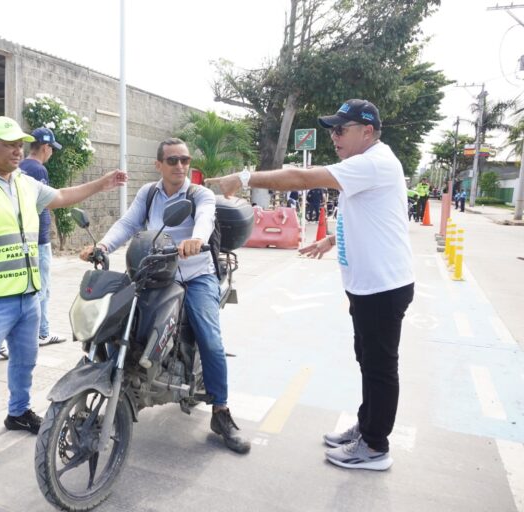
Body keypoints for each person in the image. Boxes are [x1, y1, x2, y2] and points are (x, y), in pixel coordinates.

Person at [207, 99, 414, 471]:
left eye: (341, 129)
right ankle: (366, 428)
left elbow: (302, 179)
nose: (333, 136)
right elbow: (367, 213)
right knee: (368, 361)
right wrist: (330, 240)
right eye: (332, 129)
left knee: (380, 367)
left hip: (383, 287)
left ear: (367, 131)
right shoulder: (366, 166)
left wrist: (243, 179)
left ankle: (375, 446)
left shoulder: (374, 162)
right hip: (367, 286)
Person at [0, 116, 127, 465]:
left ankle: (18, 412)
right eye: (9, 143)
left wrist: (101, 184)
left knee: (25, 363)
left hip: (28, 297)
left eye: (20, 144)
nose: (17, 149)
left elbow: (61, 196)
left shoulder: (24, 183)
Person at [79, 137, 251, 455]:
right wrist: (102, 246)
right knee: (119, 319)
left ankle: (221, 411)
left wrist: (196, 239)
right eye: (172, 160)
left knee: (211, 340)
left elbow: (205, 218)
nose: (180, 166)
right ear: (158, 165)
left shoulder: (200, 194)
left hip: (196, 275)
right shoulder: (148, 193)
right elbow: (129, 223)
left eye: (185, 160)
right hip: (155, 272)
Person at [0, 126, 66, 361]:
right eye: (51, 149)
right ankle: (23, 336)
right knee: (38, 291)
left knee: (35, 290)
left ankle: (42, 332)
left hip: (28, 239)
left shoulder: (22, 168)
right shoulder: (37, 170)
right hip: (37, 240)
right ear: (45, 147)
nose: (51, 154)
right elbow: (50, 202)